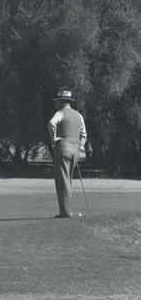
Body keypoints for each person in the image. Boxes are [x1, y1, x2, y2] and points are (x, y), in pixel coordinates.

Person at [47, 89, 87, 218]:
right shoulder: (79, 115)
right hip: (75, 149)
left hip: (63, 146)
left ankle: (65, 212)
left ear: (61, 102)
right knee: (68, 179)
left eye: (57, 101)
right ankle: (66, 210)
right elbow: (84, 135)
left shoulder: (60, 113)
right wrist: (80, 146)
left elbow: (51, 123)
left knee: (62, 180)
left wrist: (54, 139)